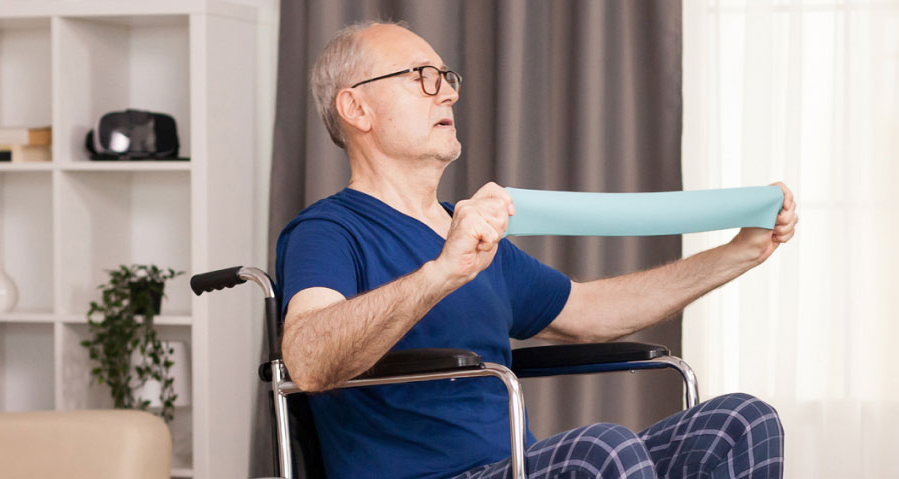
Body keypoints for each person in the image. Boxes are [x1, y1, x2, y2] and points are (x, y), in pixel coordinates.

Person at [276, 21, 797, 479]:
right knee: (603, 450)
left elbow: (589, 313)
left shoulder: (470, 237)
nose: (448, 94)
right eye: (420, 76)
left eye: (447, 77)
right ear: (356, 107)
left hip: (512, 469)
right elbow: (308, 359)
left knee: (740, 421)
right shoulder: (328, 231)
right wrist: (440, 274)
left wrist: (740, 253)